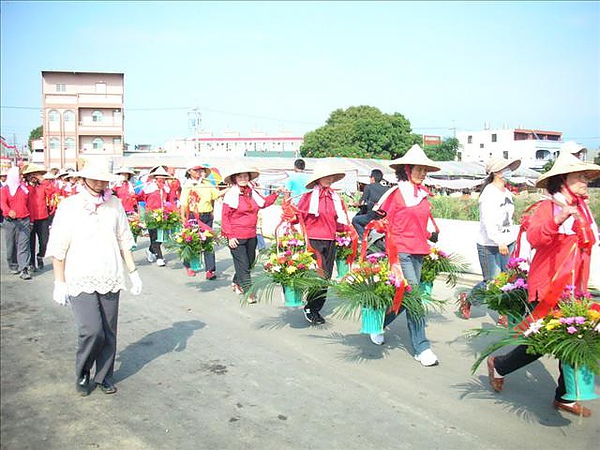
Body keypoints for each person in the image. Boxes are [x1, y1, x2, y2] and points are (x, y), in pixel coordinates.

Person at [486, 150, 600, 418]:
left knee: (572, 338)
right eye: (580, 176)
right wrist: (559, 219)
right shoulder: (547, 207)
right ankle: (499, 364)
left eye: (586, 176)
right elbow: (535, 238)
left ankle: (565, 397)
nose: (586, 181)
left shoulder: (584, 210)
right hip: (549, 286)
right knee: (541, 342)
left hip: (575, 288)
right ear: (563, 179)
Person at [46, 160, 143, 396]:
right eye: (95, 178)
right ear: (83, 179)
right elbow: (59, 245)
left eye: (104, 180)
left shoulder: (115, 204)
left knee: (109, 331)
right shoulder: (69, 206)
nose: (100, 184)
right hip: (80, 275)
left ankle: (104, 376)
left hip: (109, 273)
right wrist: (59, 282)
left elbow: (123, 239)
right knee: (92, 330)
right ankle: (83, 372)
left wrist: (133, 272)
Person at [370, 144, 440, 367]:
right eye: (418, 169)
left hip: (419, 250)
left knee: (404, 298)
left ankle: (378, 322)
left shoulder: (423, 195)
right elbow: (381, 220)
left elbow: (420, 223)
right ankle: (422, 347)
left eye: (425, 170)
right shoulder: (396, 194)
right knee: (415, 298)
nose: (422, 173)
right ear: (407, 169)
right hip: (400, 251)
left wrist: (431, 233)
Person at [457, 157, 521, 321]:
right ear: (497, 172)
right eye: (506, 169)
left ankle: (503, 314)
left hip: (508, 241)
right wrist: (498, 240)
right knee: (492, 281)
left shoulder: (507, 192)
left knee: (507, 279)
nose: (509, 172)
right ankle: (468, 298)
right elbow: (487, 220)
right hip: (490, 244)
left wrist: (509, 238)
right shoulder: (489, 193)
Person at [295, 163, 351, 325]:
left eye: (331, 176)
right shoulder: (308, 198)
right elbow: (298, 216)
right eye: (326, 176)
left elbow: (339, 221)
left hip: (331, 239)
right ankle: (311, 308)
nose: (329, 179)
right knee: (318, 275)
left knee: (326, 276)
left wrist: (348, 232)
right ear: (318, 179)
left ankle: (314, 306)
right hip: (313, 240)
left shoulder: (335, 198)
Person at [221, 163, 283, 303]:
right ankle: (248, 291)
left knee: (249, 263)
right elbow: (225, 216)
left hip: (251, 234)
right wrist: (229, 236)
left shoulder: (252, 192)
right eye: (240, 176)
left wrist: (276, 193)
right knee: (242, 263)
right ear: (235, 179)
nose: (243, 178)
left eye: (245, 176)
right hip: (236, 236)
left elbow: (264, 203)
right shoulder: (231, 194)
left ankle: (236, 281)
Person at [179, 164, 222, 279]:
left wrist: (230, 188)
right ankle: (189, 265)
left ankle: (210, 270)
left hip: (207, 216)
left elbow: (216, 195)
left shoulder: (207, 185)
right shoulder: (187, 185)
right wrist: (183, 218)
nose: (199, 172)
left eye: (201, 170)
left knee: (208, 242)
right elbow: (184, 203)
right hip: (194, 216)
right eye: (196, 170)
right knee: (193, 241)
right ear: (190, 171)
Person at [138, 166, 174, 267]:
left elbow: (170, 200)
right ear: (155, 177)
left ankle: (150, 251)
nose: (161, 179)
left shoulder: (166, 188)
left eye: (163, 177)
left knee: (162, 237)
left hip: (163, 215)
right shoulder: (149, 188)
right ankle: (159, 257)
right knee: (154, 237)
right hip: (151, 215)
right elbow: (140, 198)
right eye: (159, 177)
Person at [0, 166, 32, 279]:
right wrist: (8, 211)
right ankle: (13, 264)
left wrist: (31, 221)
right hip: (10, 222)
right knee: (11, 246)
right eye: (19, 175)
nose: (21, 177)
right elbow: (2, 203)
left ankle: (24, 268)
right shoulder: (4, 190)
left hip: (24, 221)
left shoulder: (24, 189)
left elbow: (30, 205)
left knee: (23, 246)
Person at [23, 163, 55, 272]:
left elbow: (52, 191)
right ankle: (31, 263)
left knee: (44, 242)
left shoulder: (43, 186)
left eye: (37, 174)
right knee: (30, 243)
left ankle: (40, 256)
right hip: (29, 218)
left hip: (43, 218)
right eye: (32, 174)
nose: (35, 176)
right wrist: (30, 184)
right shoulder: (26, 188)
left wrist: (43, 180)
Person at [351, 169, 390, 240]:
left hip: (372, 216)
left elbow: (361, 203)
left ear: (372, 178)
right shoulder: (387, 189)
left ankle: (365, 238)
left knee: (355, 220)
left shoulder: (368, 187)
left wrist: (353, 204)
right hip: (384, 216)